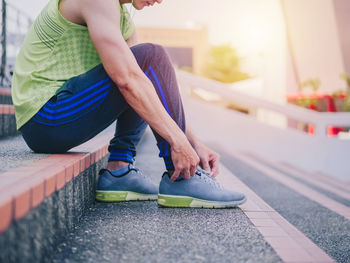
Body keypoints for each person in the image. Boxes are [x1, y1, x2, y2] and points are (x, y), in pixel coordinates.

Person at [11, 0, 246, 208]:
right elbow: (128, 79)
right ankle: (182, 178)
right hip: (45, 115)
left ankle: (119, 170)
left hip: (57, 117)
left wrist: (194, 143)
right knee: (150, 57)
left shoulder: (122, 19)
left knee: (144, 68)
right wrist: (177, 141)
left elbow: (144, 82)